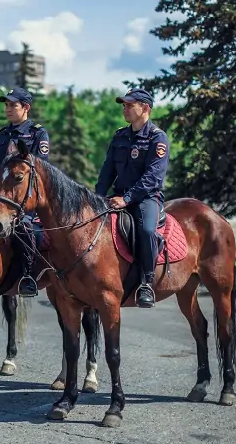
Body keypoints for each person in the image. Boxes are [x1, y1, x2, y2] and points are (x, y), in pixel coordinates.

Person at [94, 87, 171, 308]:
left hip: (147, 198)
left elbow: (153, 178)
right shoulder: (120, 136)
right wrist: (96, 197)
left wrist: (127, 199)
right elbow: (107, 170)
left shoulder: (158, 138)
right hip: (118, 196)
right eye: (124, 105)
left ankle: (146, 283)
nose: (124, 109)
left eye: (129, 105)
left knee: (146, 230)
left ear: (145, 108)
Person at [0, 87, 50, 297]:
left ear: (26, 107)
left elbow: (39, 169)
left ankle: (27, 276)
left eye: (12, 105)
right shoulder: (2, 135)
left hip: (24, 198)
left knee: (25, 229)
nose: (8, 109)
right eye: (6, 105)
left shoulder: (37, 133)